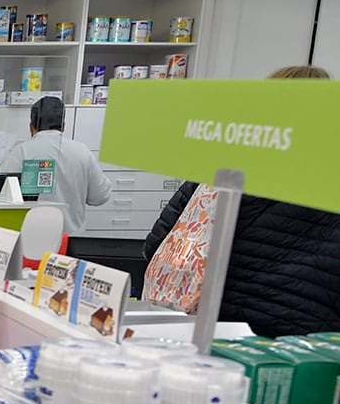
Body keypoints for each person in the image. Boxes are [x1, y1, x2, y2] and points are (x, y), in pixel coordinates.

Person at [141, 65, 340, 336]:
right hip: (297, 341)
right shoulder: (329, 180)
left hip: (202, 322)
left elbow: (157, 243)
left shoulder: (222, 167)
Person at [0, 96, 111, 235]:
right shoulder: (82, 152)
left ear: (31, 126)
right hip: (71, 242)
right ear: (63, 126)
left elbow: (0, 191)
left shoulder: (23, 151)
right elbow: (100, 196)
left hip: (31, 239)